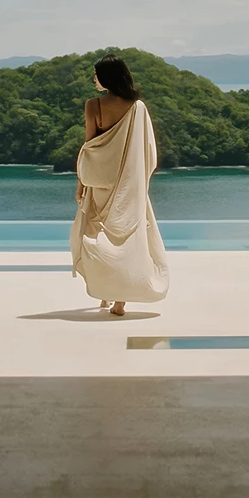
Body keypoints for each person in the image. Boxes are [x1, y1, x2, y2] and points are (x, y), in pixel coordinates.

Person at [70, 55, 169, 316]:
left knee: (95, 238)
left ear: (107, 77)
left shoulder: (93, 105)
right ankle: (119, 301)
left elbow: (89, 147)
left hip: (100, 183)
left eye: (96, 74)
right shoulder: (138, 108)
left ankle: (105, 290)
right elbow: (148, 152)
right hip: (127, 185)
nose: (94, 79)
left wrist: (81, 183)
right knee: (127, 239)